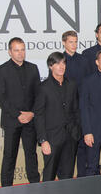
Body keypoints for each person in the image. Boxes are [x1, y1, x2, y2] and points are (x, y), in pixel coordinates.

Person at [0, 37, 40, 187]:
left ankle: (35, 186)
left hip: (30, 120)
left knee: (31, 155)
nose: (20, 53)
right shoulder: (1, 70)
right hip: (12, 120)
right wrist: (18, 114)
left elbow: (38, 95)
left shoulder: (33, 68)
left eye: (22, 49)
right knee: (9, 156)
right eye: (16, 50)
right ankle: (6, 189)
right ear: (9, 52)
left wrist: (32, 113)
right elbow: (1, 97)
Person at [34, 52, 81, 182]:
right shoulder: (43, 88)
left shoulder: (72, 84)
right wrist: (43, 140)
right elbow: (39, 115)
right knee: (49, 176)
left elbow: (76, 110)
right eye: (57, 63)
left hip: (70, 137)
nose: (61, 66)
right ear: (50, 66)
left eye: (63, 63)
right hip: (52, 139)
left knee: (67, 176)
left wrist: (77, 131)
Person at [61, 30, 89, 178]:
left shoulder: (84, 60)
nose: (74, 44)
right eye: (71, 42)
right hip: (66, 112)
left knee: (83, 146)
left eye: (76, 41)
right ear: (64, 42)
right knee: (68, 148)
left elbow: (88, 85)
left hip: (82, 109)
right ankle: (66, 179)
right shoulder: (59, 61)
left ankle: (82, 177)